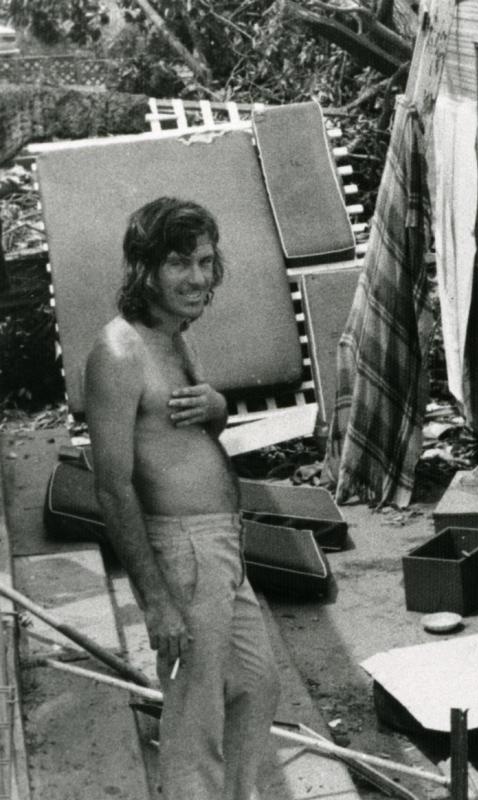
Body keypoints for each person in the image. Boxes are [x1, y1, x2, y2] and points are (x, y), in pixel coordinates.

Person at [86, 197, 280, 800]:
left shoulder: (173, 337)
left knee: (255, 684)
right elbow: (112, 487)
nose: (198, 278)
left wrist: (217, 407)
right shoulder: (119, 353)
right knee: (196, 721)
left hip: (221, 549)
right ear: (144, 270)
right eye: (179, 263)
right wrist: (156, 603)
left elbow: (193, 432)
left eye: (205, 261)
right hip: (183, 552)